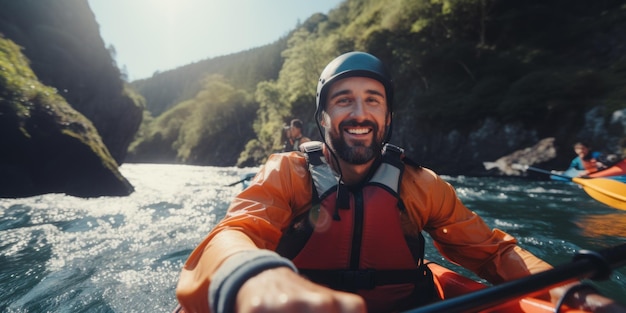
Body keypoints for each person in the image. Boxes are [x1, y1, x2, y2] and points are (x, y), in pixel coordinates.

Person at [175, 52, 622, 313]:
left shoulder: (420, 185)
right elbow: (234, 234)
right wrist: (258, 279)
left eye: (373, 100)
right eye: (343, 100)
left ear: (387, 118)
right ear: (323, 117)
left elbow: (495, 253)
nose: (358, 112)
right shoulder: (289, 173)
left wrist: (572, 291)